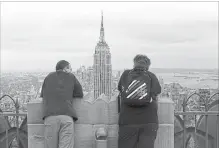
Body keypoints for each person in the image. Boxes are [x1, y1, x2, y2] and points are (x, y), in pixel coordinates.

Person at [118, 54, 161, 148]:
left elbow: (120, 89)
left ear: (134, 64)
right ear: (148, 66)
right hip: (149, 121)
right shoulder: (151, 76)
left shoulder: (126, 74)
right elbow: (157, 91)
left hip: (127, 121)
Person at [40, 60, 83, 148]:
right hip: (66, 116)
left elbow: (43, 94)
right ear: (65, 69)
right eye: (70, 68)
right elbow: (79, 93)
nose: (71, 70)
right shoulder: (71, 76)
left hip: (50, 117)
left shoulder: (48, 77)